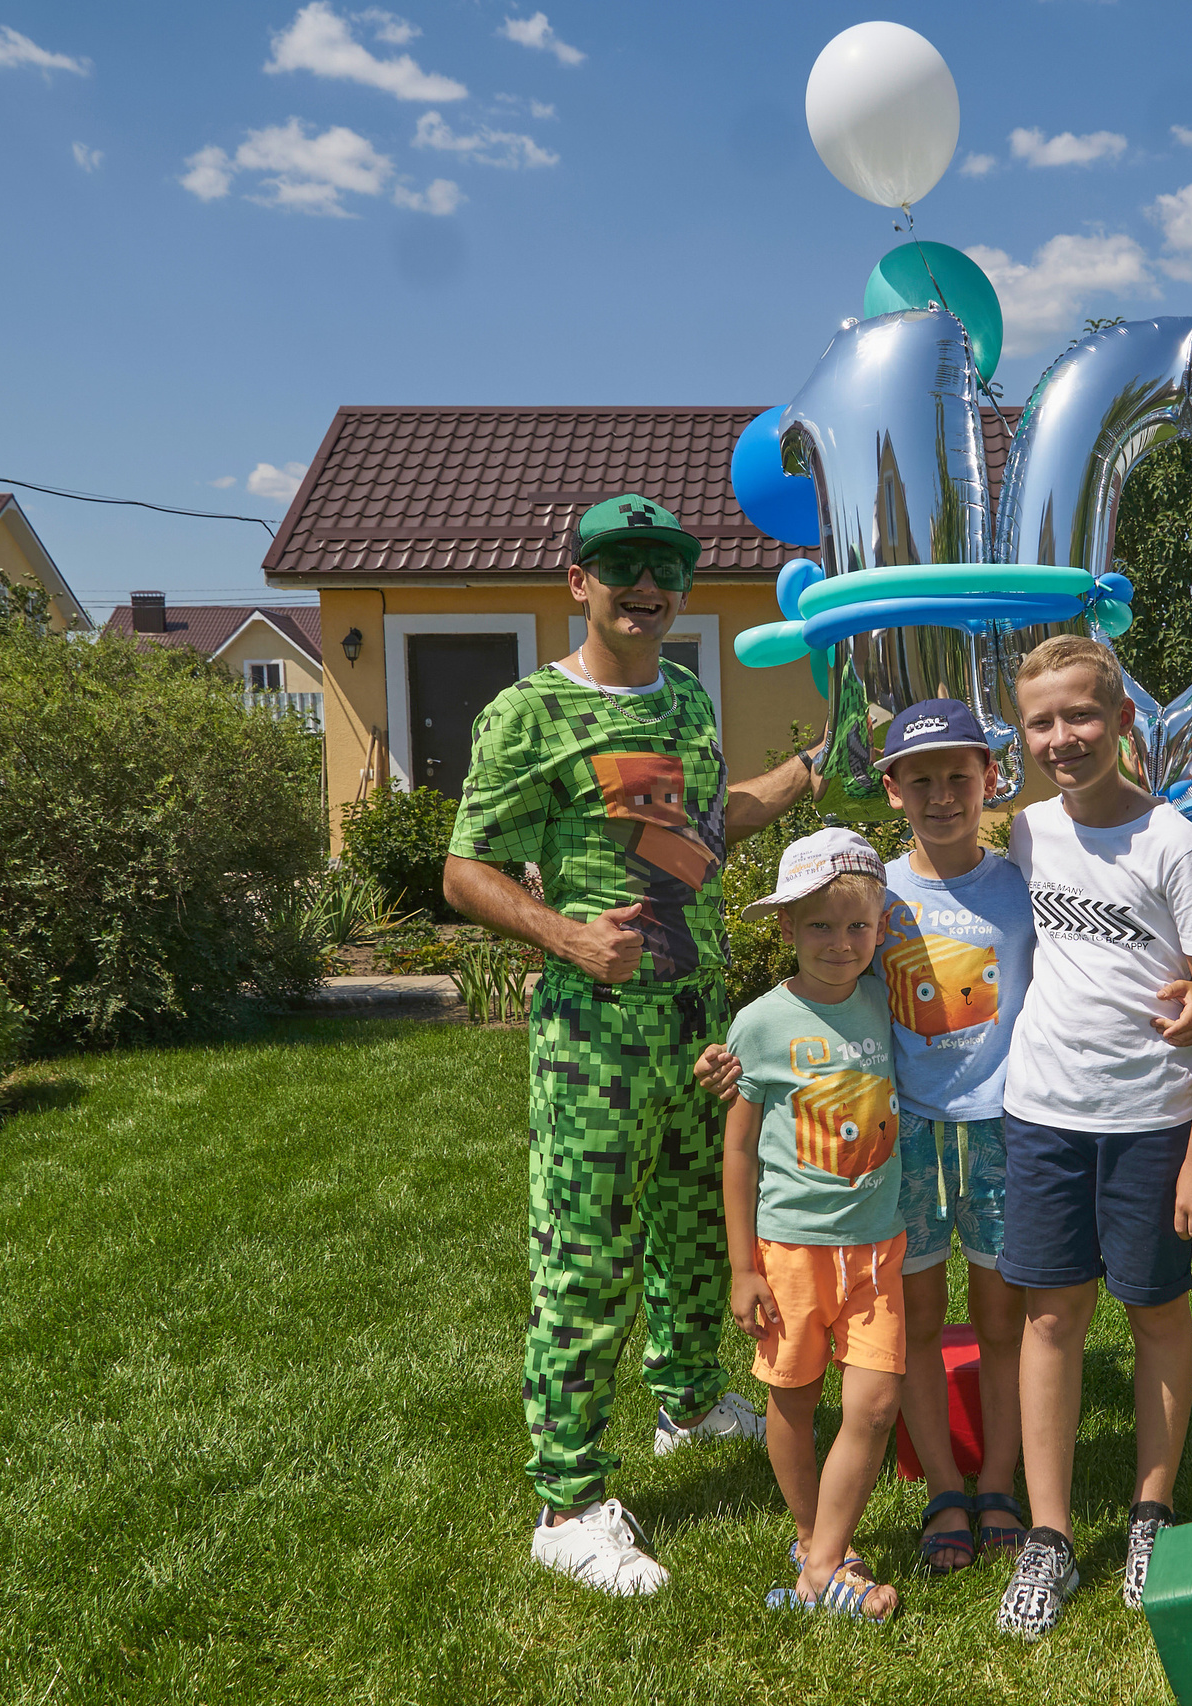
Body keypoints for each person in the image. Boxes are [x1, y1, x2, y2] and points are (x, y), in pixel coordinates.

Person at [442, 493, 824, 1598]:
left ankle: (690, 1398)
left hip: (699, 1021)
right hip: (595, 1035)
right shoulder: (530, 712)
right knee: (587, 1260)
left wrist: (803, 776)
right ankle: (565, 1501)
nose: (646, 587)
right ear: (579, 581)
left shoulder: (691, 702)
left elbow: (699, 833)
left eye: (664, 568)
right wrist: (560, 932)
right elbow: (466, 869)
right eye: (622, 567)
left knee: (701, 1227)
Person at [869, 699, 1192, 1577]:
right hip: (904, 1130)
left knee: (1003, 1319)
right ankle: (943, 1485)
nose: (942, 796)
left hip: (1005, 1125)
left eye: (960, 776)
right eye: (922, 780)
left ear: (991, 779)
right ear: (892, 789)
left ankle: (1000, 1483)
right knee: (913, 1318)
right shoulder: (872, 892)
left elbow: (1118, 934)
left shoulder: (1023, 862)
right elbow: (822, 975)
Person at [990, 636, 1192, 1641]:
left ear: (1124, 721)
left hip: (1150, 1125)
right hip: (1043, 1113)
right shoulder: (1026, 833)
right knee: (1050, 1321)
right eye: (1041, 721)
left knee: (1156, 1315)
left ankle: (1150, 1512)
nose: (1061, 737)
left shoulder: (1172, 845)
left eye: (1080, 716)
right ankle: (1049, 1536)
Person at [723, 828, 909, 1621]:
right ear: (786, 930)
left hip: (878, 1251)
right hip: (791, 1253)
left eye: (859, 927)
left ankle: (821, 1565)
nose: (842, 944)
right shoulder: (759, 1026)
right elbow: (736, 1151)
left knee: (873, 1405)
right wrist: (743, 1267)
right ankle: (817, 1545)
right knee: (793, 1402)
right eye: (821, 927)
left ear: (880, 928)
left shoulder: (885, 1000)